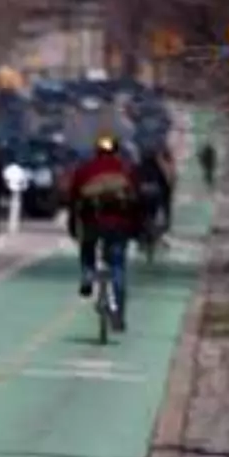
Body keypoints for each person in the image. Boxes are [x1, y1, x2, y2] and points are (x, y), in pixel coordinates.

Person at [67, 133, 144, 326]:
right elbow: (136, 202)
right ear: (116, 151)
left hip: (93, 223)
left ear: (97, 151)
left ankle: (87, 275)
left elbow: (73, 199)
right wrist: (136, 229)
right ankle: (117, 314)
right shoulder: (126, 170)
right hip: (119, 226)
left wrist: (73, 225)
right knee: (117, 267)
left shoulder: (85, 169)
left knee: (87, 248)